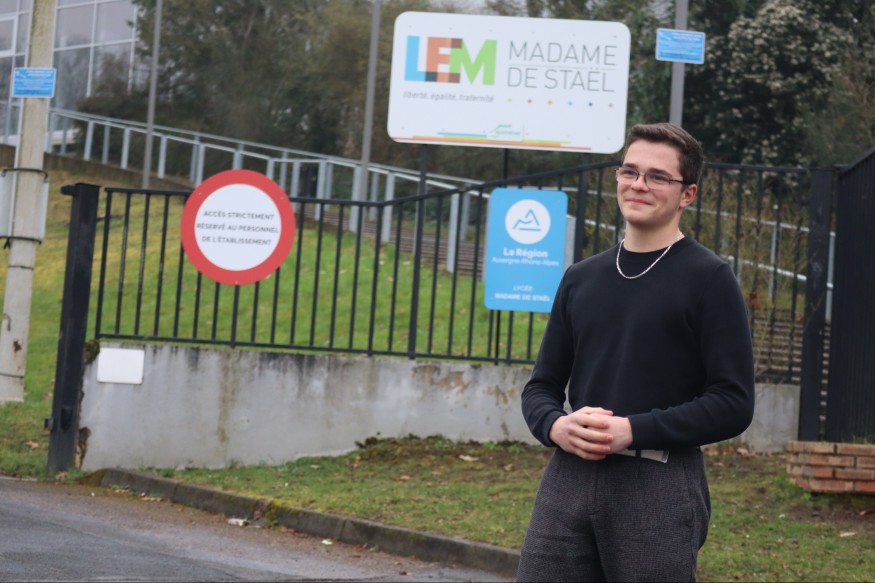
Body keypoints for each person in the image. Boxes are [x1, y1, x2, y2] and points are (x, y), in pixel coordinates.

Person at [516, 122, 755, 582]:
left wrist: (633, 430)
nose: (638, 184)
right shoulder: (581, 278)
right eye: (630, 171)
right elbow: (541, 386)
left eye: (657, 176)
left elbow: (734, 402)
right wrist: (556, 425)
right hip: (567, 480)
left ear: (687, 194)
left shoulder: (709, 280)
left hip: (659, 483)